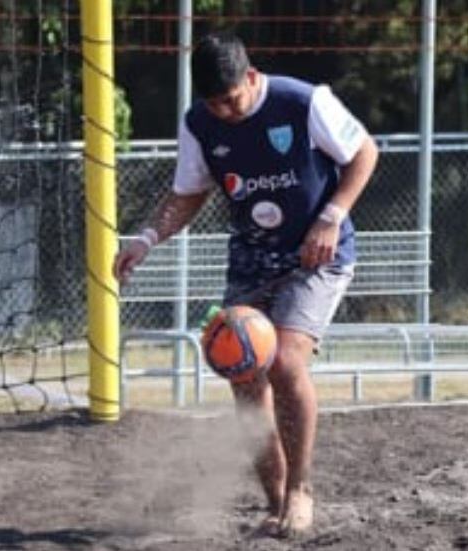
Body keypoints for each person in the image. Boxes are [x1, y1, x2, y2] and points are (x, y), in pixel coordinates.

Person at [112, 31, 378, 536]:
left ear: (252, 77)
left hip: (316, 253)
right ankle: (274, 502)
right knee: (243, 372)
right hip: (253, 258)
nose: (225, 111)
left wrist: (332, 217)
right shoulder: (198, 124)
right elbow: (187, 194)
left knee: (286, 360)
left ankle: (300, 490)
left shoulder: (303, 102)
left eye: (232, 99)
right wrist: (146, 239)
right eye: (214, 103)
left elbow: (364, 152)